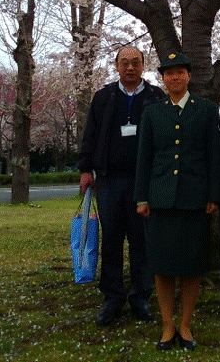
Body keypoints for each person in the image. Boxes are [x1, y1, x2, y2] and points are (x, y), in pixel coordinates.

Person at [134, 52, 220, 351]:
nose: (175, 78)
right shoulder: (152, 112)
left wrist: (213, 195)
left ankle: (184, 324)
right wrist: (141, 197)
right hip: (160, 198)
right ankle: (167, 325)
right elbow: (144, 157)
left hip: (194, 198)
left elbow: (214, 156)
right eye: (169, 73)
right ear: (163, 77)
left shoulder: (207, 111)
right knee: (162, 266)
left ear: (188, 76)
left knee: (190, 266)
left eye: (180, 72)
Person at [78, 46, 165, 326]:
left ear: (143, 66)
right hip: (109, 180)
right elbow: (89, 134)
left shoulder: (156, 97)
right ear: (116, 66)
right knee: (112, 239)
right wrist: (85, 169)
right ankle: (113, 297)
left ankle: (141, 296)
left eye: (136, 63)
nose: (130, 68)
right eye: (124, 63)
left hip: (144, 182)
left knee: (142, 241)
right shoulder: (103, 97)